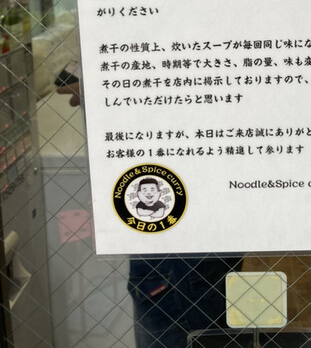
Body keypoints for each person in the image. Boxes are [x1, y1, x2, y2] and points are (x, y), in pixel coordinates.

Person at [57, 77, 242, 347]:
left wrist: (109, 84)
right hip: (198, 210)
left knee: (181, 322)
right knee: (203, 316)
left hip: (178, 241)